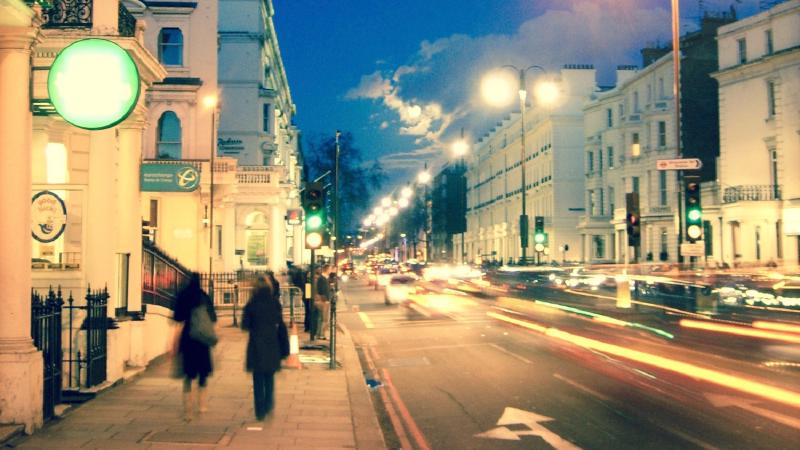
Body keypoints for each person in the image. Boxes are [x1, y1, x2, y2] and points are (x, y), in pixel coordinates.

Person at [172, 273, 217, 419]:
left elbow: (178, 320)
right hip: (202, 340)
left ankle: (188, 409)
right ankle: (202, 405)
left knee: (188, 374)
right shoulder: (204, 296)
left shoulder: (183, 296)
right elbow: (213, 318)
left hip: (188, 339)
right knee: (202, 373)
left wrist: (174, 342)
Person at [241, 276, 287, 421]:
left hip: (256, 344)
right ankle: (269, 405)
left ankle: (260, 411)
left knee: (258, 379)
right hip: (272, 344)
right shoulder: (274, 302)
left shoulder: (252, 303)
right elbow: (280, 324)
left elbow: (245, 325)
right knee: (269, 377)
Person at [315, 265, 333, 340]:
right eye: (330, 269)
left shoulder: (324, 278)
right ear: (327, 270)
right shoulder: (322, 279)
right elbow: (322, 290)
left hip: (323, 300)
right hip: (324, 301)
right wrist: (326, 300)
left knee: (321, 318)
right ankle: (322, 334)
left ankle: (319, 334)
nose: (331, 271)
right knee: (324, 319)